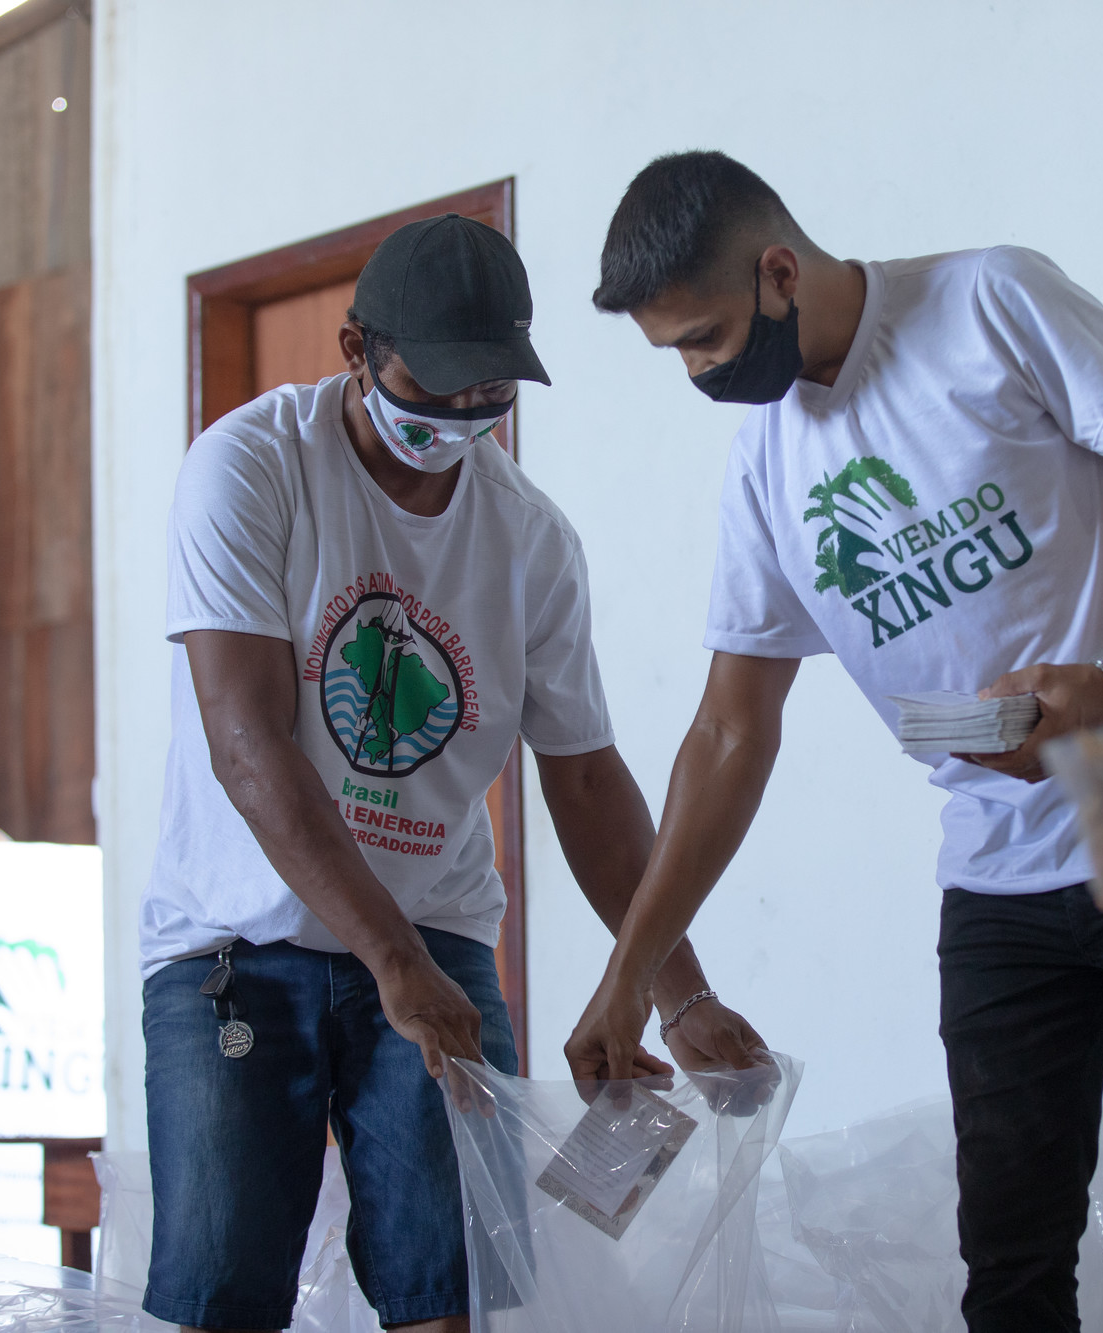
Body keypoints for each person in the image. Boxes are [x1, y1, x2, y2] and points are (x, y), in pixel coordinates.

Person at [565, 151, 1103, 1332]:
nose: (697, 373)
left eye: (702, 337)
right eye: (675, 354)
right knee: (1008, 1261)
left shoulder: (989, 304)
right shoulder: (763, 457)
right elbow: (727, 732)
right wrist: (630, 976)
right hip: (1000, 878)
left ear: (779, 271)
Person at [137, 213, 762, 1333]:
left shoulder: (530, 541)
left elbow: (585, 784)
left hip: (440, 941)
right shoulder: (249, 467)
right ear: (355, 349)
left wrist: (677, 990)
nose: (460, 417)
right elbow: (248, 744)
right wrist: (389, 957)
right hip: (233, 946)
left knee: (452, 1289)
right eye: (434, 387)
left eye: (490, 394)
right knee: (221, 1296)